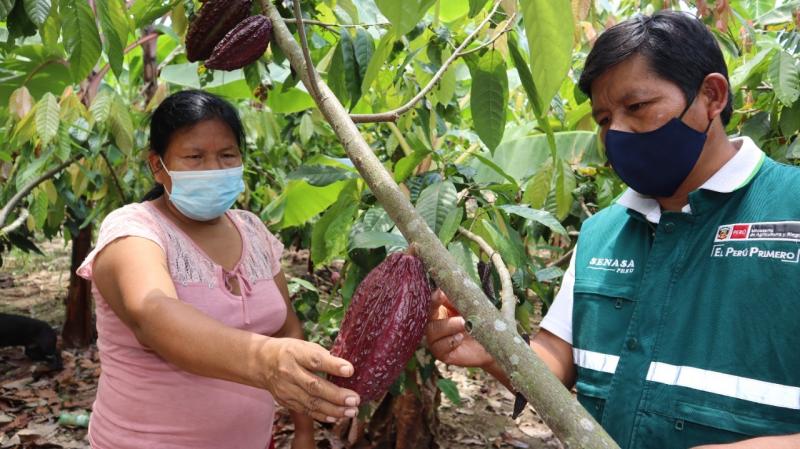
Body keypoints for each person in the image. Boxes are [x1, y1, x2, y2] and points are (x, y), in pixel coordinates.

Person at [426, 10, 800, 449]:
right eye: (604, 119)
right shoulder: (603, 233)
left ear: (711, 96)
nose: (617, 132)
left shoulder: (789, 209)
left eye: (636, 107)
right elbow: (555, 361)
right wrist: (495, 352)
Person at [76, 90, 360, 449]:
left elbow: (287, 329)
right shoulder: (133, 231)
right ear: (157, 165)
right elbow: (153, 314)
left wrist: (303, 430)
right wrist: (264, 360)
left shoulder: (252, 230)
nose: (213, 169)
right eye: (194, 157)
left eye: (227, 155)